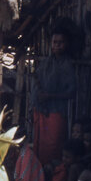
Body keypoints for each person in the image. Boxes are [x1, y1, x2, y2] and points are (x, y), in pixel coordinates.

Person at [29, 29, 76, 169]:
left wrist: (50, 96)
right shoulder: (45, 63)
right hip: (41, 111)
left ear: (66, 44)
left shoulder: (67, 65)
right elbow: (36, 81)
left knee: (54, 146)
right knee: (40, 146)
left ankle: (53, 175)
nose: (57, 46)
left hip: (56, 112)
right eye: (55, 42)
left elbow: (71, 92)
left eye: (60, 43)